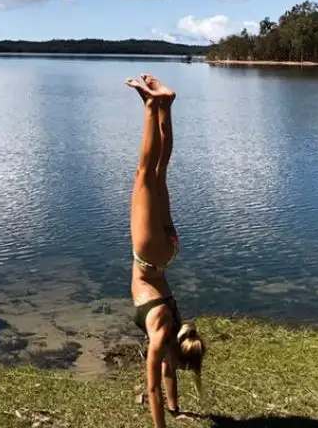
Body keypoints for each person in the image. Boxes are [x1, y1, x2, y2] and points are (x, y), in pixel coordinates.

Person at [125, 73, 206, 426]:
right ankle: (150, 105)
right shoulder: (162, 333)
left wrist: (174, 409)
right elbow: (153, 389)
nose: (168, 363)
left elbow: (164, 379)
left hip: (168, 250)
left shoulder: (174, 328)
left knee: (158, 172)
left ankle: (165, 105)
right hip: (150, 255)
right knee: (145, 173)